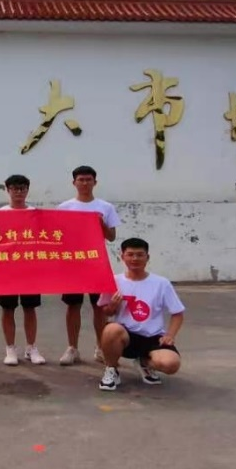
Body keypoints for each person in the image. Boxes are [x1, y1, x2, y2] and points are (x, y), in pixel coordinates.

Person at [96, 238, 184, 392]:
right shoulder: (114, 281)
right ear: (122, 257)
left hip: (153, 337)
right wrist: (113, 305)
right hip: (127, 336)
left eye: (139, 255)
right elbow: (106, 312)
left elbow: (177, 313)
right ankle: (111, 369)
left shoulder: (161, 283)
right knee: (111, 329)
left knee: (171, 364)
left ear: (147, 257)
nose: (135, 259)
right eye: (130, 254)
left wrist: (170, 335)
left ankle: (144, 362)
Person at [56, 165, 121, 366]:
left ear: (95, 182)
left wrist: (100, 224)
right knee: (73, 305)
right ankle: (72, 348)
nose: (84, 183)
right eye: (81, 180)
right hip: (73, 263)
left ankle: (101, 347)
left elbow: (112, 237)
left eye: (88, 179)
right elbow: (58, 236)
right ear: (74, 182)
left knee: (99, 306)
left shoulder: (105, 207)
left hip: (96, 263)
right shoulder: (64, 207)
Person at [0, 174, 45, 365]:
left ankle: (31, 347)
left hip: (30, 269)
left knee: (30, 308)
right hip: (7, 270)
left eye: (22, 188)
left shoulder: (36, 214)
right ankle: (10, 349)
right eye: (15, 188)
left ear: (27, 190)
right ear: (7, 190)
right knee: (8, 309)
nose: (19, 192)